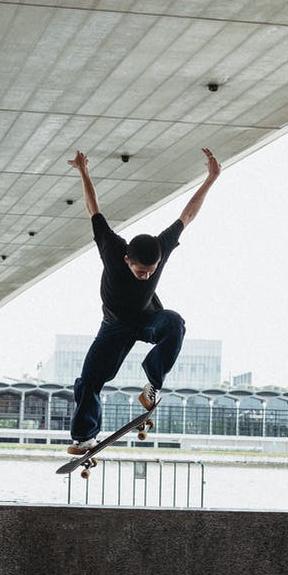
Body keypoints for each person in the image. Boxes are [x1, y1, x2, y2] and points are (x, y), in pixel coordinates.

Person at [65, 147, 221, 455]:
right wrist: (84, 172)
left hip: (149, 320)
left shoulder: (161, 247)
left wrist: (212, 178)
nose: (146, 277)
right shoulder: (111, 248)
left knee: (175, 322)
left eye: (151, 272)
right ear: (127, 260)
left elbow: (187, 214)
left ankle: (152, 385)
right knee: (89, 381)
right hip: (114, 327)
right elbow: (92, 208)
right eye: (140, 272)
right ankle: (85, 438)